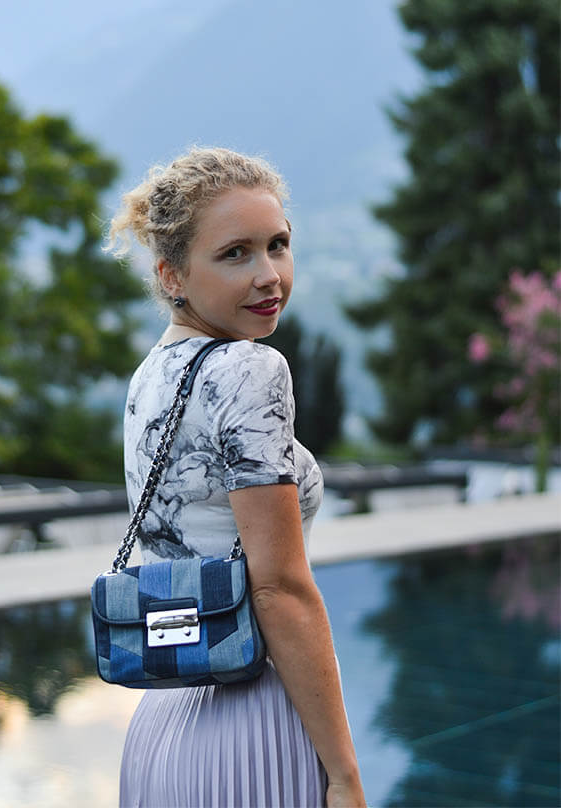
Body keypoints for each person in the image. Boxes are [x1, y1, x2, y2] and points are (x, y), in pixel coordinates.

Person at [106, 147, 366, 808]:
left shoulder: (151, 377)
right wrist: (343, 774)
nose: (269, 275)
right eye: (236, 254)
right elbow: (279, 587)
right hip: (250, 722)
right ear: (172, 275)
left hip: (163, 725)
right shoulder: (250, 369)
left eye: (278, 245)